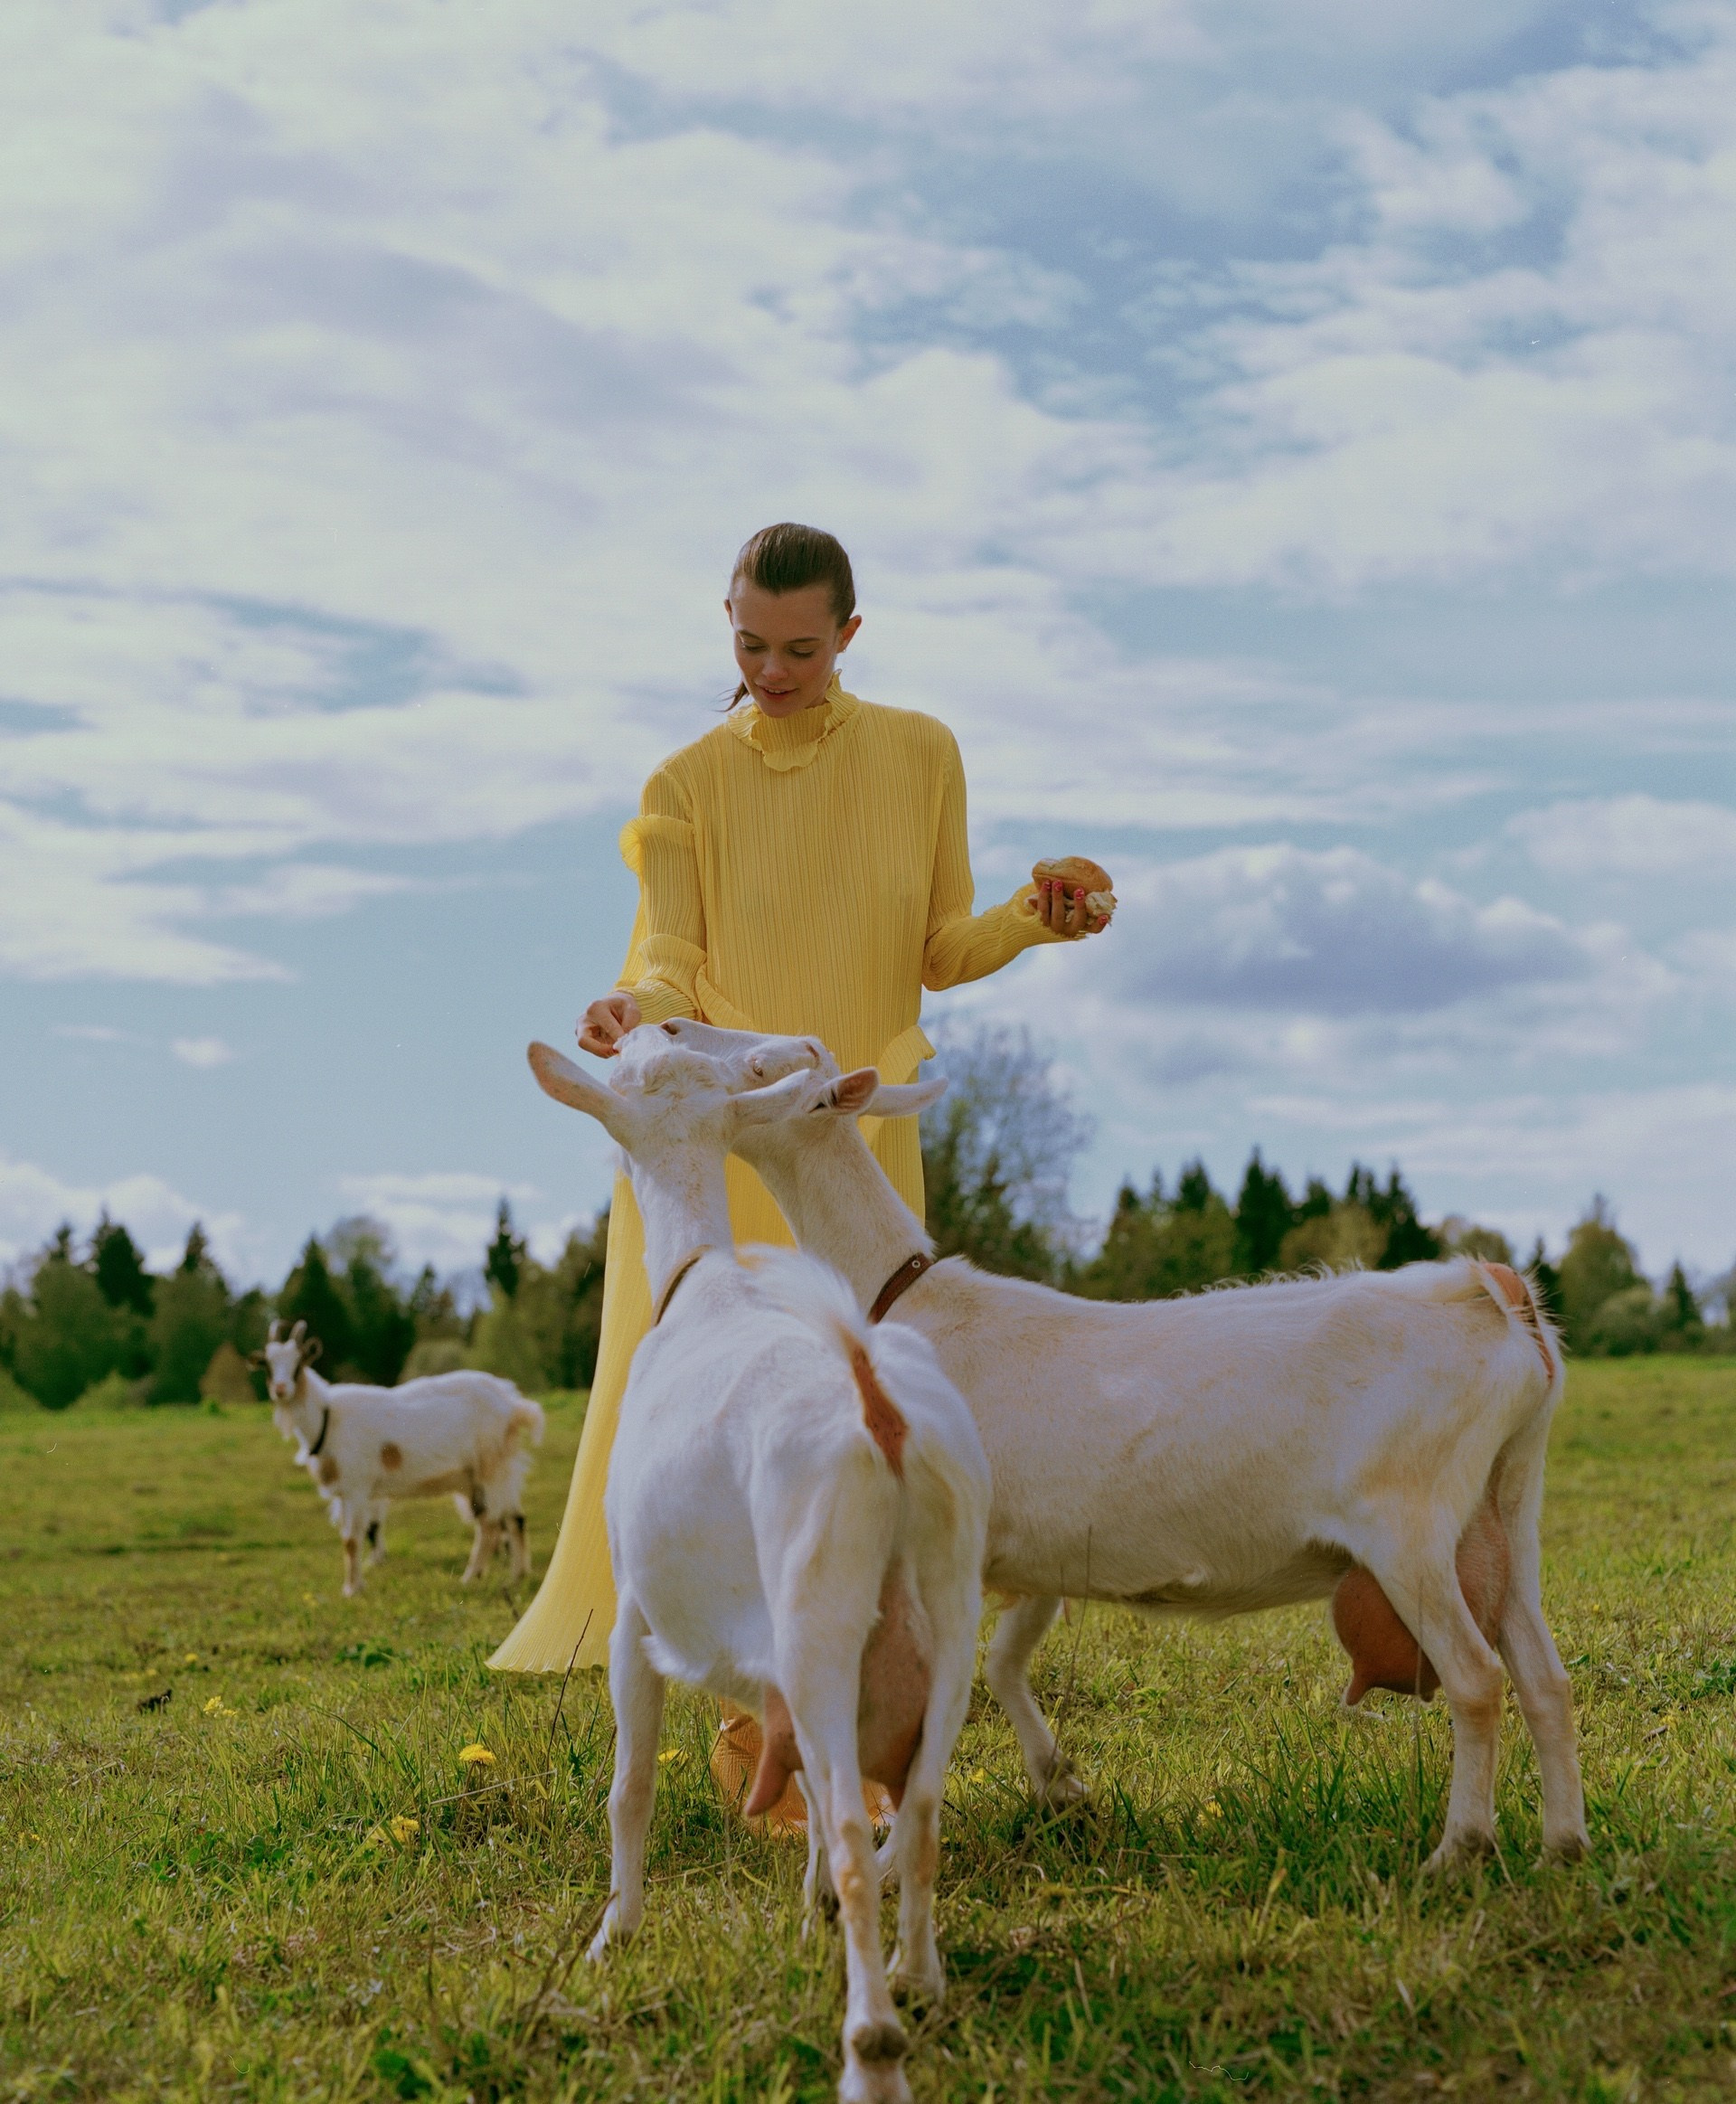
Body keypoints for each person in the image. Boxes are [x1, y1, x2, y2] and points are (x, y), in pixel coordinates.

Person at [490, 522, 1109, 1826]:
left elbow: (940, 947)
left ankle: (871, 1712)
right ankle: (758, 1731)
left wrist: (1031, 920)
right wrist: (632, 1007)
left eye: (801, 650)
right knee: (743, 1423)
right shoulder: (684, 782)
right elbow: (671, 954)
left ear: (850, 636)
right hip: (729, 1137)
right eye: (749, 644)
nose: (771, 672)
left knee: (868, 1415)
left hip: (859, 1130)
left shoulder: (922, 753)